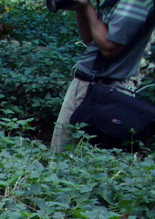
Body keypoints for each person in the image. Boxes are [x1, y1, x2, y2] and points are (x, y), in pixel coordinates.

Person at [50, 0, 155, 151]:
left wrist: (87, 6)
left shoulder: (134, 2)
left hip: (98, 88)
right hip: (96, 85)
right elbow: (93, 40)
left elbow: (108, 48)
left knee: (63, 154)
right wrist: (81, 8)